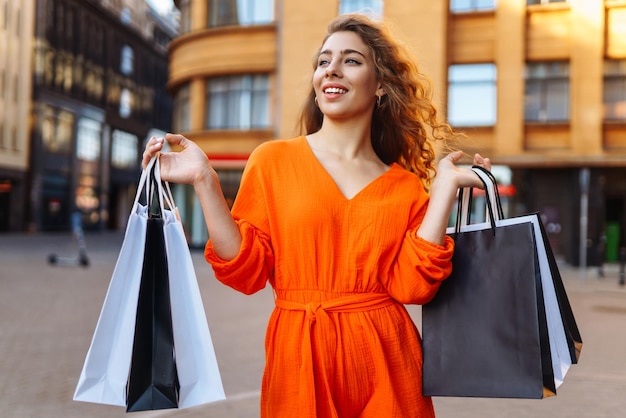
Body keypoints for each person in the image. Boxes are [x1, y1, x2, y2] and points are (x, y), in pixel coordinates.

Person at [143, 13, 490, 418]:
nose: (332, 70)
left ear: (380, 86)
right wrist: (205, 180)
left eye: (351, 60)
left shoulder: (405, 186)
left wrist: (444, 190)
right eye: (324, 61)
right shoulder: (273, 160)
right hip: (299, 355)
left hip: (387, 359)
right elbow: (246, 270)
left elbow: (412, 287)